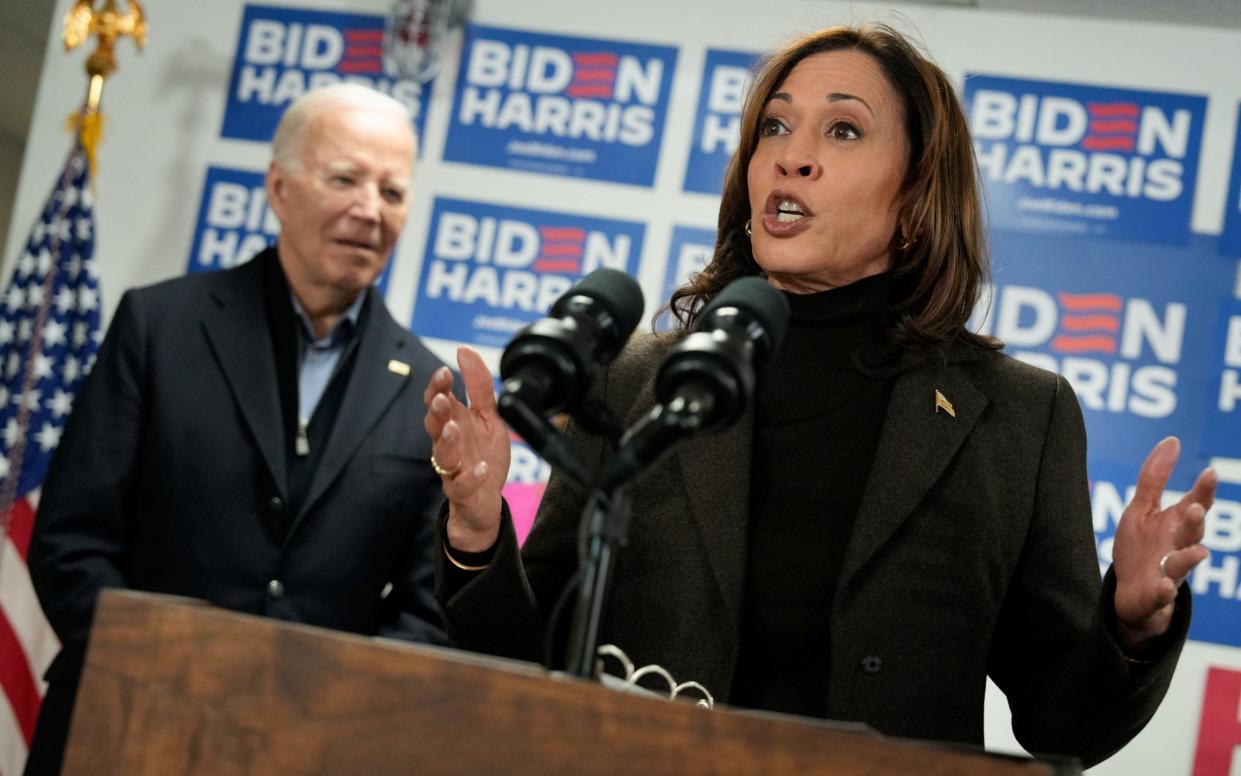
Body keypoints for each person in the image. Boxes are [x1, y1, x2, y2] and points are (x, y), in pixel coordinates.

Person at [421, 23, 1216, 768]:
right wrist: (477, 533)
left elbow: (1058, 723)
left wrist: (1129, 624)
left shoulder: (1017, 416)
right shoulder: (638, 379)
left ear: (914, 201)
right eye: (774, 127)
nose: (790, 158)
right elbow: (533, 658)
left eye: (842, 130)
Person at [27, 83, 459, 774]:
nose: (368, 210)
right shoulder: (159, 327)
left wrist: (328, 710)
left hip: (308, 749)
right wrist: (171, 676)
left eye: (393, 192)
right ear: (279, 188)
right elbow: (71, 541)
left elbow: (427, 610)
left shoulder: (435, 390)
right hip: (123, 722)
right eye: (345, 178)